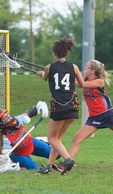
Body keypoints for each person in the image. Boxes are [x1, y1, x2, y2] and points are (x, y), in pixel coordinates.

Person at [36, 37, 84, 175]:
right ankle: (48, 166)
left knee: (52, 138)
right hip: (72, 106)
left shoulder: (49, 67)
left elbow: (44, 77)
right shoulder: (73, 67)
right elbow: (82, 84)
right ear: (66, 53)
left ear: (54, 53)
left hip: (59, 107)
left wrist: (40, 74)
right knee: (58, 139)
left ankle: (68, 159)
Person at [0, 101, 63, 171]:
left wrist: (40, 107)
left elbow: (30, 113)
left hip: (30, 143)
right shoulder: (5, 138)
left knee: (57, 154)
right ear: (1, 125)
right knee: (34, 169)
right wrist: (10, 164)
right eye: (5, 118)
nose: (9, 117)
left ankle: (40, 140)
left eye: (7, 115)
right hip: (19, 154)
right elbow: (5, 156)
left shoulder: (18, 120)